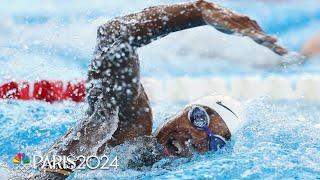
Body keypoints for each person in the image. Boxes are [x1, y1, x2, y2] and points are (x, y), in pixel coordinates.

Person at [32, 0, 287, 179]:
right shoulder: (128, 129)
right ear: (181, 110)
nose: (195, 139)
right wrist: (198, 11)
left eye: (215, 142)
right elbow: (113, 37)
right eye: (199, 118)